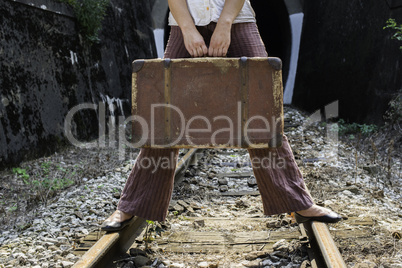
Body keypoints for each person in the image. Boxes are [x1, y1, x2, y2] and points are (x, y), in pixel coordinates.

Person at [101, 0, 342, 232]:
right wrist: (187, 29)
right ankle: (131, 205)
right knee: (164, 118)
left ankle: (298, 203)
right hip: (184, 23)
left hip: (238, 21)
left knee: (264, 113)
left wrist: (225, 24)